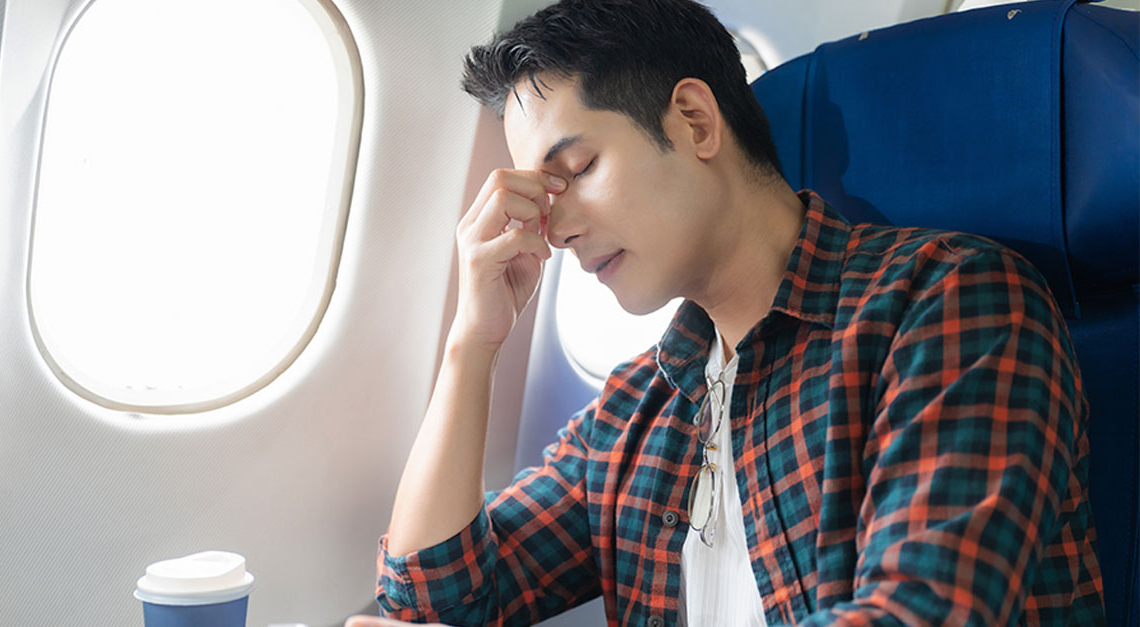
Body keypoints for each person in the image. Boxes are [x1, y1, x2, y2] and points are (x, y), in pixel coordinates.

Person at [346, 0, 1105, 625]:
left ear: (695, 121)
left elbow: (916, 614)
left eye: (577, 168)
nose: (556, 228)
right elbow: (433, 602)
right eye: (544, 197)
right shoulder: (641, 410)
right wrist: (472, 342)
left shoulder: (947, 306)